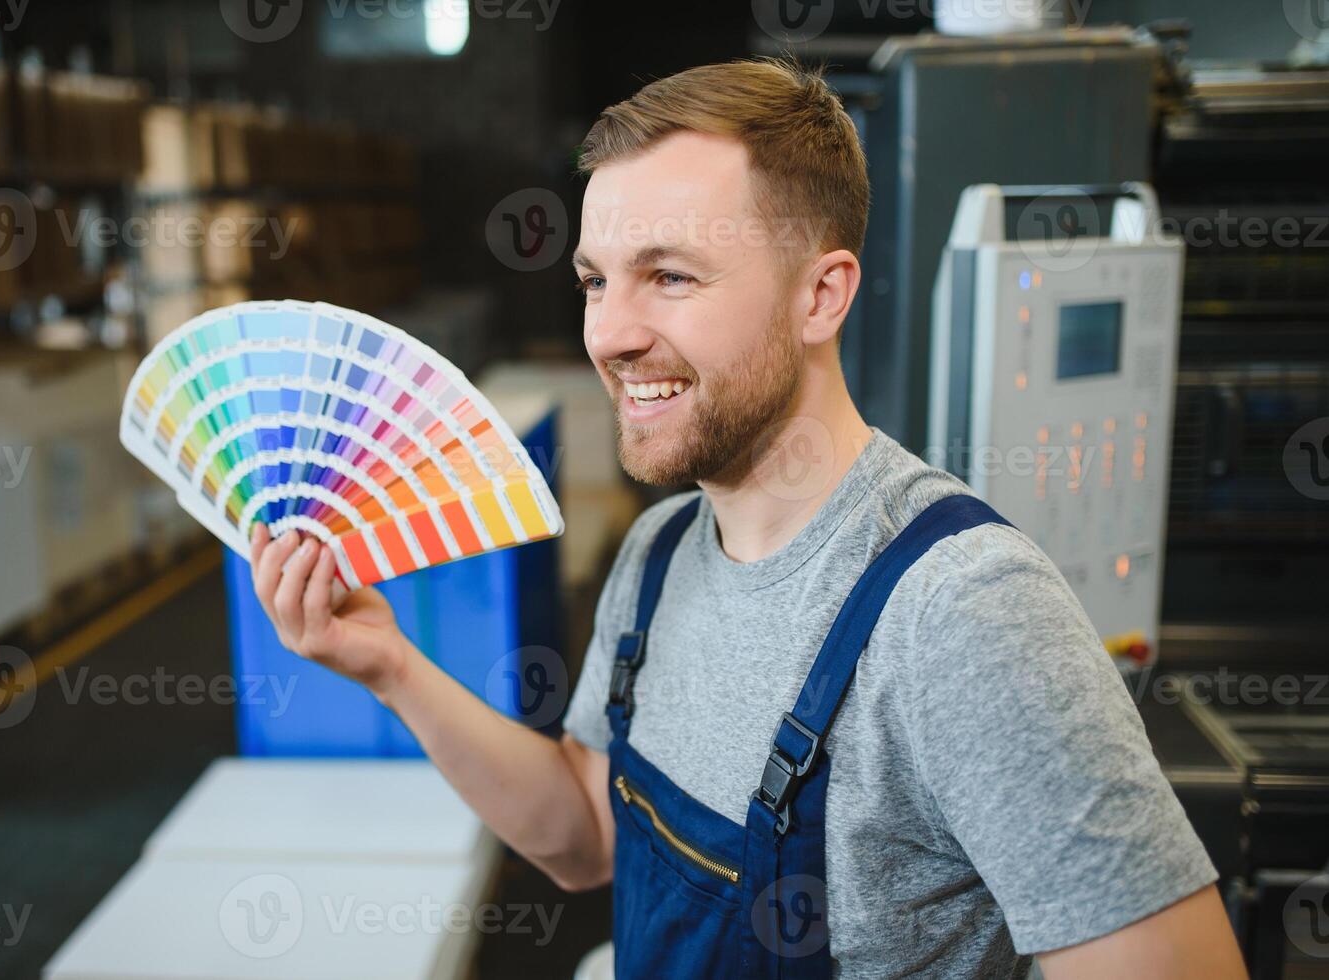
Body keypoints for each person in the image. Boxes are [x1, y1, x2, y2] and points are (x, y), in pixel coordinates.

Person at [249, 58, 1246, 979]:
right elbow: (583, 837)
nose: (610, 333)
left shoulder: (961, 610)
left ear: (820, 295)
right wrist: (387, 661)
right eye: (596, 279)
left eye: (670, 275)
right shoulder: (657, 553)